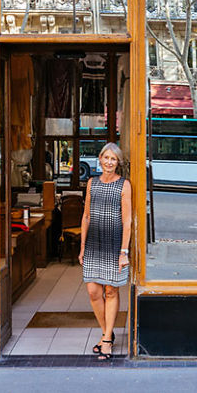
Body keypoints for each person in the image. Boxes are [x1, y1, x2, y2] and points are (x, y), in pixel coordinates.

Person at [79, 142, 132, 361]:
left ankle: (107, 339)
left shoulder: (124, 185)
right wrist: (82, 247)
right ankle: (107, 332)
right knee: (93, 291)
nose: (109, 162)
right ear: (100, 159)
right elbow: (86, 216)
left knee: (111, 291)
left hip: (114, 244)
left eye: (113, 159)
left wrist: (124, 252)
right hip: (93, 243)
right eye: (106, 158)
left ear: (118, 162)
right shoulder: (92, 183)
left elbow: (127, 220)